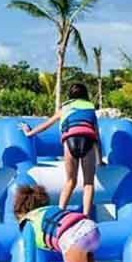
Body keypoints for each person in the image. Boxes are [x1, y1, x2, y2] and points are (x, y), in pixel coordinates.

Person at [14, 184, 109, 262]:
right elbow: (68, 261)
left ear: (21, 210)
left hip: (74, 237)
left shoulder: (29, 223)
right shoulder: (53, 210)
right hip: (91, 228)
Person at [20, 83, 103, 217]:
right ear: (85, 95)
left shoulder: (65, 108)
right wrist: (100, 160)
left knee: (71, 181)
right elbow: (97, 136)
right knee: (88, 183)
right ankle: (86, 216)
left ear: (70, 96)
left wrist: (29, 133)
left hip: (70, 141)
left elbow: (47, 125)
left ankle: (59, 212)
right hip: (88, 141)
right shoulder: (90, 109)